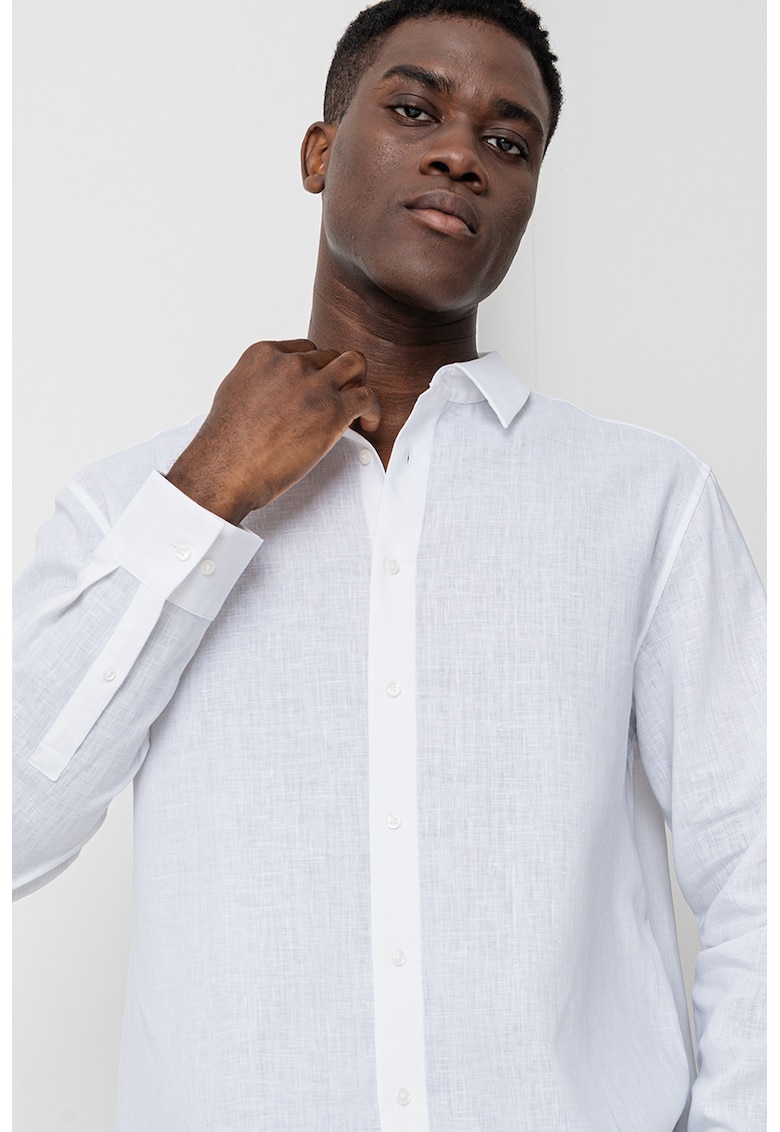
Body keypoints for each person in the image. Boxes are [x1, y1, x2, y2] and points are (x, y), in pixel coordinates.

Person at [13, 0, 765, 1129]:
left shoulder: (649, 504)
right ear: (319, 153)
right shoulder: (130, 502)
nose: (462, 153)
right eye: (416, 110)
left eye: (508, 142)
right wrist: (210, 491)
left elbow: (760, 861)